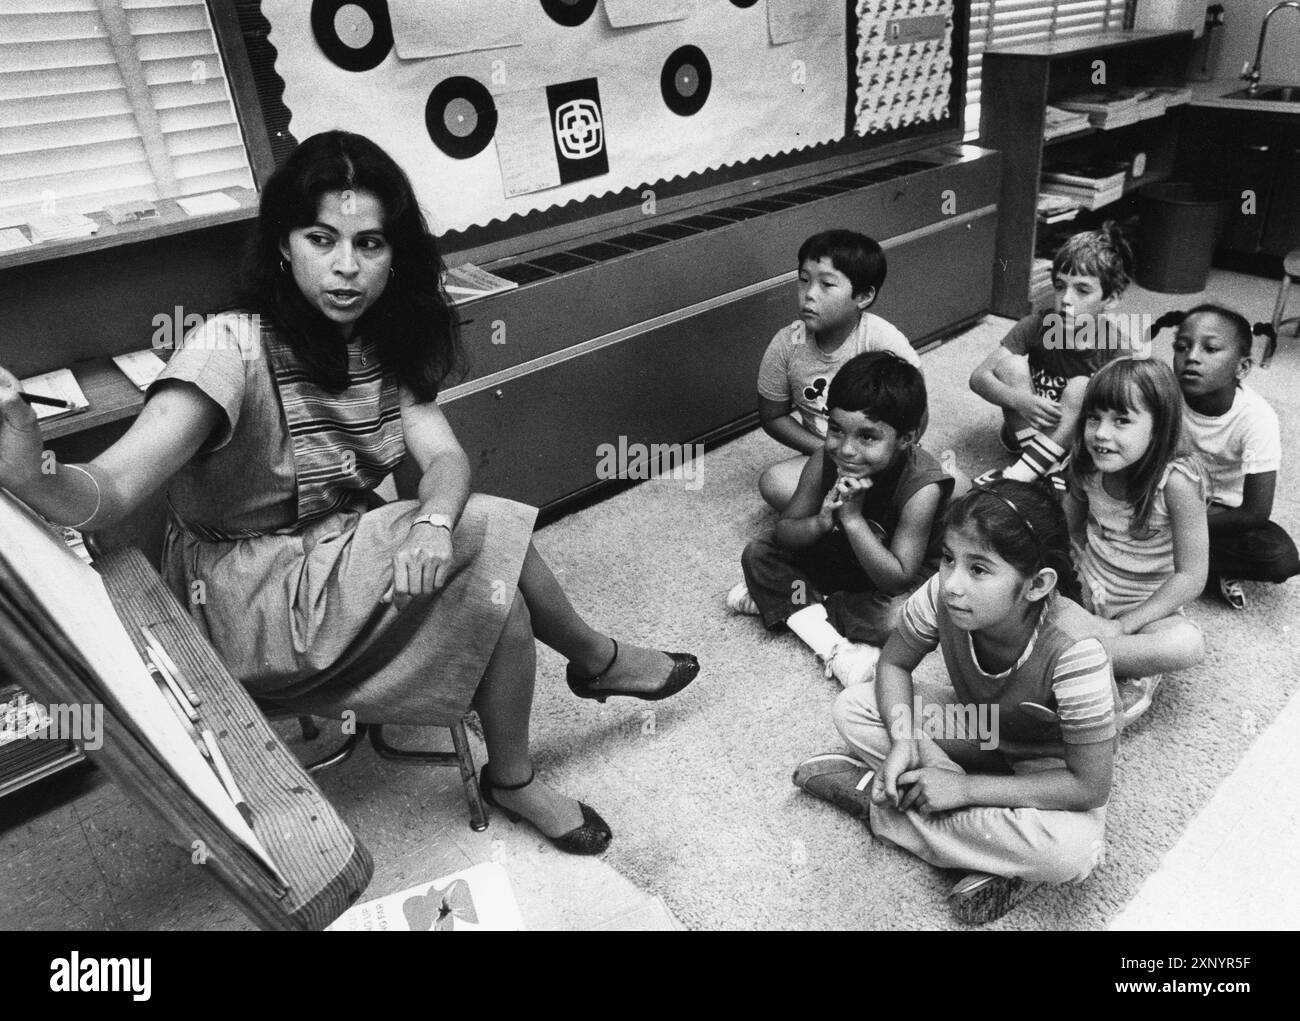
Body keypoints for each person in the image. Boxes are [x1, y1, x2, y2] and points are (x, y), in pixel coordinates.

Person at [0, 130, 698, 855]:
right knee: (485, 537)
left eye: (369, 244)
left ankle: (515, 775)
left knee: (498, 591)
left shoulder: (384, 337)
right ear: (282, 245)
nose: (345, 267)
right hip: (246, 599)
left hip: (342, 559)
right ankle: (595, 658)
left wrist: (430, 522)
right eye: (320, 238)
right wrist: (30, 471)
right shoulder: (227, 345)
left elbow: (447, 460)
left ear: (395, 256)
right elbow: (109, 491)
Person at [793, 481, 1118, 924]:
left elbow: (1088, 786)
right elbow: (893, 667)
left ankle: (878, 806)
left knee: (1074, 852)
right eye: (948, 559)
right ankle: (992, 849)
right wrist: (906, 742)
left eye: (979, 569)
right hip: (980, 727)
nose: (951, 584)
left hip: (1050, 769)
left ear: (1037, 585)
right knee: (855, 706)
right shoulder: (939, 594)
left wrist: (964, 789)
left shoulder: (1078, 651)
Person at [731, 352, 952, 687]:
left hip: (891, 581)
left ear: (906, 439)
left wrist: (851, 519)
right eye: (836, 430)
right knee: (758, 553)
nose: (846, 449)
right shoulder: (825, 458)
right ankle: (835, 647)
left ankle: (793, 607)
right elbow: (784, 533)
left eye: (867, 437)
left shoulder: (922, 486)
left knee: (896, 619)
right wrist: (821, 521)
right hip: (841, 563)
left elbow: (897, 578)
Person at [1064, 359, 1207, 724]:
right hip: (1086, 591)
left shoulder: (1176, 482)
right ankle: (1091, 657)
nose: (1100, 433)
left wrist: (1126, 625)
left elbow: (1191, 576)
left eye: (1121, 420)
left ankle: (1084, 658)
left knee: (1187, 645)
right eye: (1093, 418)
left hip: (1146, 611)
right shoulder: (1086, 465)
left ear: (1159, 429)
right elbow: (1064, 530)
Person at [751, 229, 919, 513]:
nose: (809, 294)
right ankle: (866, 520)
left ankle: (858, 518)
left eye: (827, 284)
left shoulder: (881, 339)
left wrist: (881, 460)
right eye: (804, 280)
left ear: (863, 296)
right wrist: (825, 450)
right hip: (827, 456)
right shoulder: (786, 344)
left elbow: (917, 412)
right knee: (774, 482)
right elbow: (773, 415)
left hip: (883, 458)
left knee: (950, 487)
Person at [969, 221, 1139, 489]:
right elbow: (978, 377)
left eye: (1082, 290)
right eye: (1060, 286)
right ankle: (1037, 468)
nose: (1066, 299)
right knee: (1010, 365)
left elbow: (1127, 416)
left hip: (1075, 443)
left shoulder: (1117, 347)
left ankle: (1025, 473)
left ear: (1112, 299)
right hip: (1022, 428)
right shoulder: (1038, 325)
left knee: (1082, 386)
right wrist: (1019, 399)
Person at [1163, 304, 1299, 609]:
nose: (1192, 357)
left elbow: (1255, 512)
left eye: (1210, 348)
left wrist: (1181, 526)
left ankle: (1178, 561)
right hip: (1166, 500)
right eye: (1182, 347)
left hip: (1221, 515)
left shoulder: (1257, 418)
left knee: (1280, 558)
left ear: (1242, 368)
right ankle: (1184, 562)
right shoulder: (1163, 394)